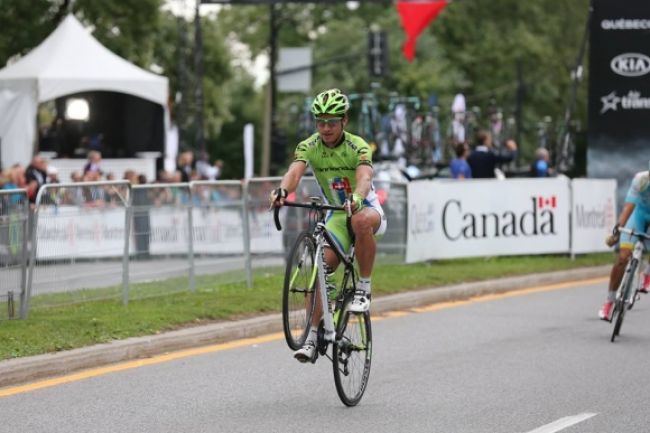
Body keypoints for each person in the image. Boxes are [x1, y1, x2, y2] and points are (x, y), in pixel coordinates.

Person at [269, 88, 387, 362]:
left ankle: (364, 287)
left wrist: (357, 197)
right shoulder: (310, 145)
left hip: (364, 209)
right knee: (320, 269)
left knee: (358, 220)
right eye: (320, 122)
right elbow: (294, 171)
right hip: (336, 213)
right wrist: (282, 192)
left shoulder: (358, 145)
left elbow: (365, 177)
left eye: (331, 122)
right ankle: (312, 338)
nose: (325, 128)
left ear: (344, 120)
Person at [599, 162, 650, 320]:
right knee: (622, 257)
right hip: (638, 214)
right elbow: (628, 208)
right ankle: (609, 301)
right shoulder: (640, 180)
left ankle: (647, 274)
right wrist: (616, 233)